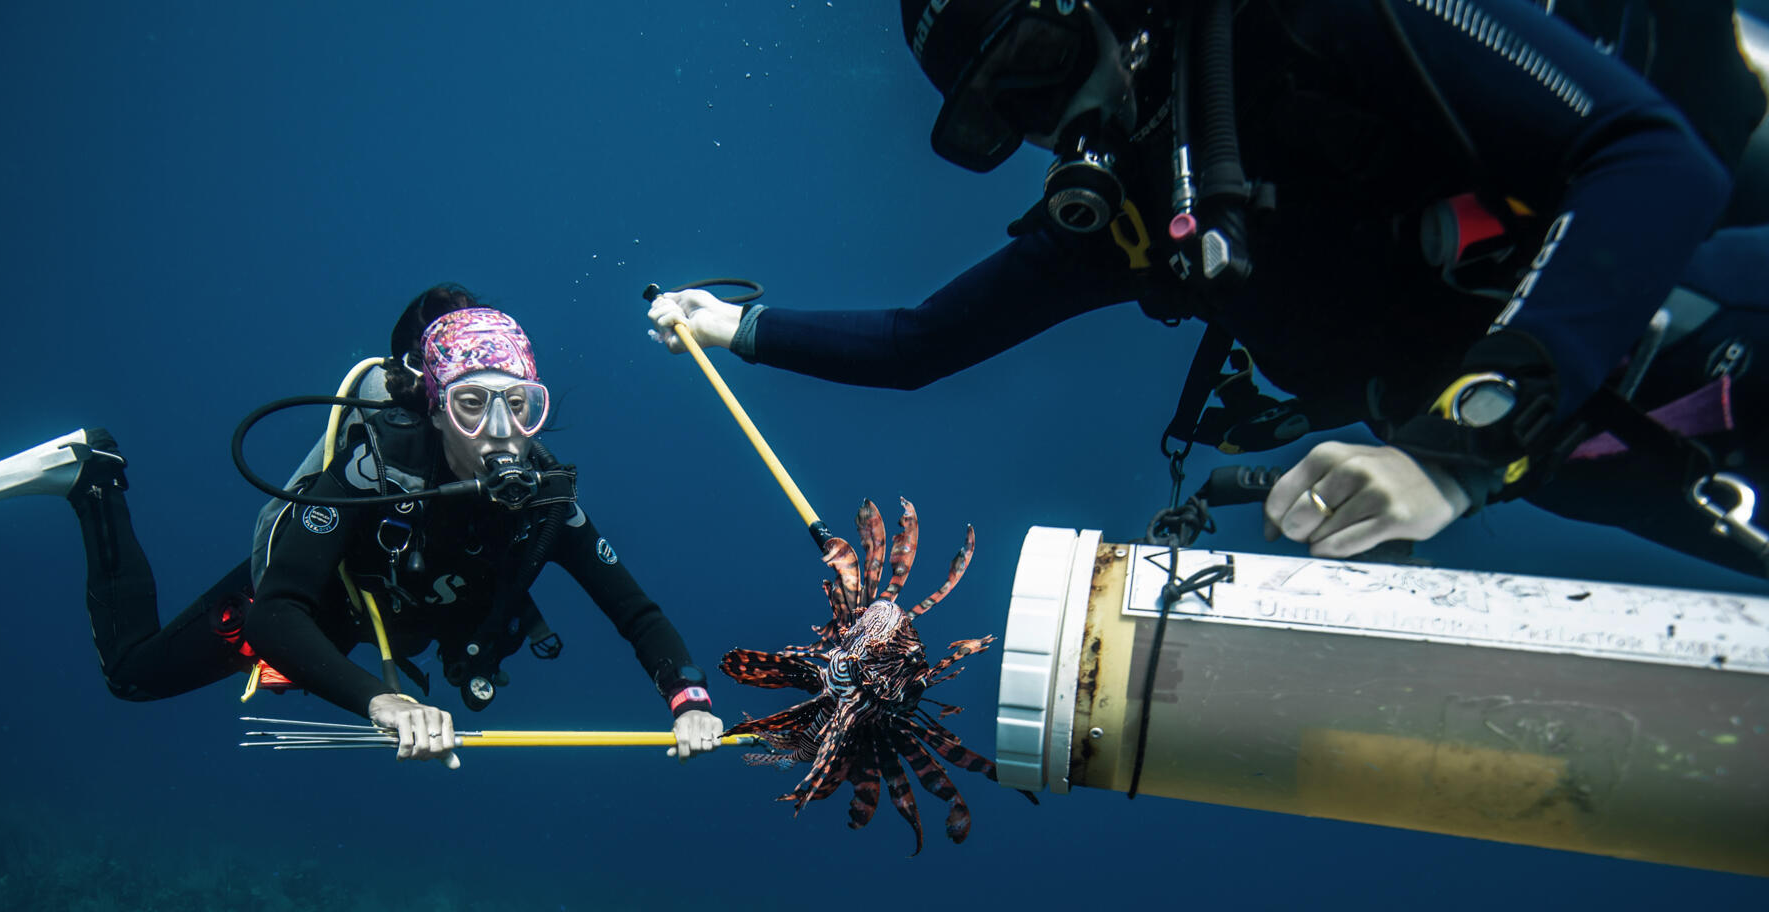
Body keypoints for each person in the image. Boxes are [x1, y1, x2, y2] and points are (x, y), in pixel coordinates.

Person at [647, 0, 1769, 575]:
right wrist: (737, 327)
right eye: (1006, 113)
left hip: (1710, 335)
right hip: (1599, 459)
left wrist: (1451, 455)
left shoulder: (1310, 22)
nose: (1053, 120)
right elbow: (920, 342)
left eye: (1039, 62)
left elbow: (1655, 160)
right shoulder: (1130, 215)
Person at [0, 291, 725, 763]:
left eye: (520, 404)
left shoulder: (543, 503)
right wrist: (381, 698)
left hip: (382, 639)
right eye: (474, 403)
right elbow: (279, 606)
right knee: (132, 675)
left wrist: (688, 701)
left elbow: (636, 612)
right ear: (435, 405)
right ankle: (94, 479)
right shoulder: (367, 475)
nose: (500, 433)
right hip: (316, 614)